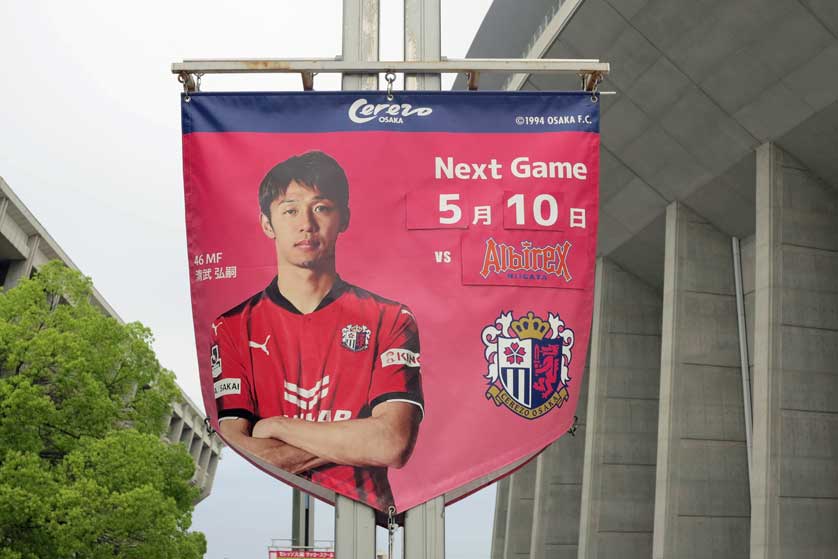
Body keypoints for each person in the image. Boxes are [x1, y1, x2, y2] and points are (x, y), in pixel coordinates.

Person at [210, 150, 423, 510]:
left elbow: (391, 444)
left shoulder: (391, 318)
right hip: (263, 517)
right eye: (290, 210)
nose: (306, 223)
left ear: (344, 218)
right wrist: (354, 439)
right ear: (267, 223)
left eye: (321, 207)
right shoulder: (232, 327)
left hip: (365, 522)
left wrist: (276, 425)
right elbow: (242, 447)